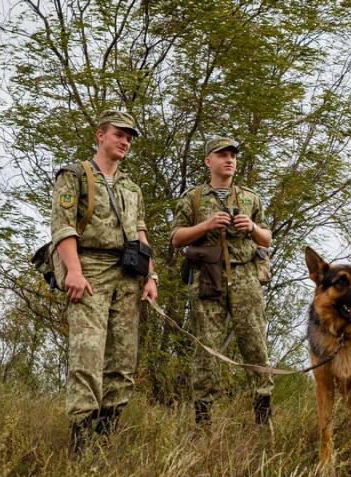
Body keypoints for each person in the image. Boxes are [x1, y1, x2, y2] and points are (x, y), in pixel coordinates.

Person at [51, 110, 158, 454]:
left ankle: (104, 439)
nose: (125, 142)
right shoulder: (74, 176)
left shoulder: (132, 187)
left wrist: (151, 275)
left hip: (128, 274)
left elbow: (140, 232)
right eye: (118, 134)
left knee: (123, 361)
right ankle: (80, 444)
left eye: (129, 137)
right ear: (101, 135)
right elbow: (62, 227)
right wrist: (74, 271)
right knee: (87, 357)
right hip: (90, 269)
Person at [171, 137, 274, 427]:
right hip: (208, 276)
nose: (229, 160)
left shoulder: (250, 198)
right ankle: (203, 423)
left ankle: (263, 418)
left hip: (245, 276)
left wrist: (251, 227)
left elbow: (266, 238)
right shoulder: (193, 197)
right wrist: (207, 225)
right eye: (222, 155)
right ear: (209, 161)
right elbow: (176, 238)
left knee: (255, 345)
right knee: (207, 348)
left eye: (233, 156)